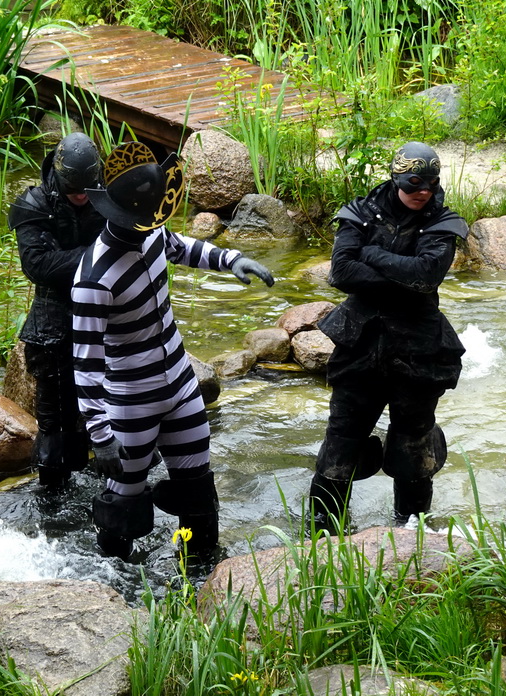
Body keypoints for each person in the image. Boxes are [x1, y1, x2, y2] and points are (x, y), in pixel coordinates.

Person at [72, 141, 275, 560]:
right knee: (123, 504)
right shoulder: (93, 280)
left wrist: (229, 259)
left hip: (182, 384)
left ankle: (203, 576)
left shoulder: (149, 231)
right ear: (121, 213)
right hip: (131, 402)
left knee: (197, 489)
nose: (152, 226)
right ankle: (114, 586)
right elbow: (86, 365)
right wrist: (100, 436)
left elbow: (181, 246)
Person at [310, 141, 468, 528]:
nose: (423, 192)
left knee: (413, 447)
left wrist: (371, 255)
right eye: (414, 183)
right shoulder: (361, 214)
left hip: (418, 352)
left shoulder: (442, 222)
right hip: (359, 347)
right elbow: (341, 273)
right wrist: (402, 275)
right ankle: (322, 533)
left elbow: (426, 274)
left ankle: (411, 532)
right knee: (341, 442)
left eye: (430, 184)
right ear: (396, 178)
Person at [8, 131, 107, 489]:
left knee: (108, 415)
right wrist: (101, 255)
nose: (81, 195)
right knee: (55, 426)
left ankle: (111, 492)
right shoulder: (34, 204)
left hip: (103, 320)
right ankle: (51, 502)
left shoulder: (107, 197)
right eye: (73, 189)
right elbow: (38, 266)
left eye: (87, 188)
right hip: (52, 327)